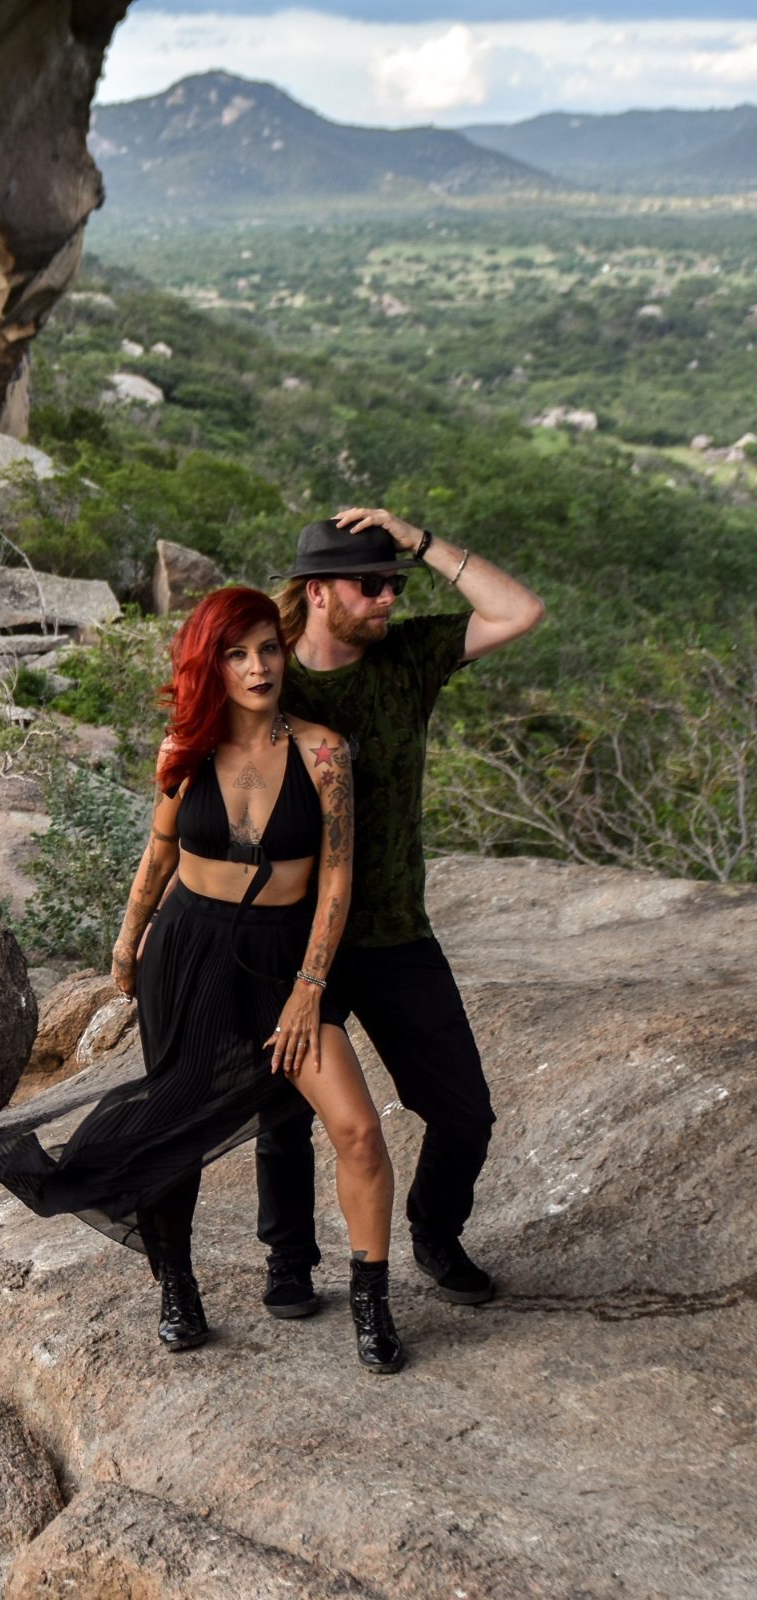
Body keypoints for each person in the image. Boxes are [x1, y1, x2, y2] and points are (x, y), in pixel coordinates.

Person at [0, 585, 405, 1372]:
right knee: (177, 1122)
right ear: (210, 665)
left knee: (356, 1128)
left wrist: (311, 986)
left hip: (285, 963)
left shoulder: (323, 753)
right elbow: (159, 857)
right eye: (236, 654)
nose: (257, 667)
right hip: (189, 952)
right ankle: (175, 1284)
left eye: (268, 649)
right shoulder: (187, 749)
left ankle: (371, 1302)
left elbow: (338, 881)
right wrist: (127, 940)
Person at [252, 511, 545, 1318]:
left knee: (465, 1113)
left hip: (392, 935)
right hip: (291, 935)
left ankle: (434, 1230)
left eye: (393, 584)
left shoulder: (408, 657)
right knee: (285, 1112)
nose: (386, 598)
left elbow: (518, 612)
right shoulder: (271, 681)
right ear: (318, 593)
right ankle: (288, 1258)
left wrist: (418, 541)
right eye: (370, 584)